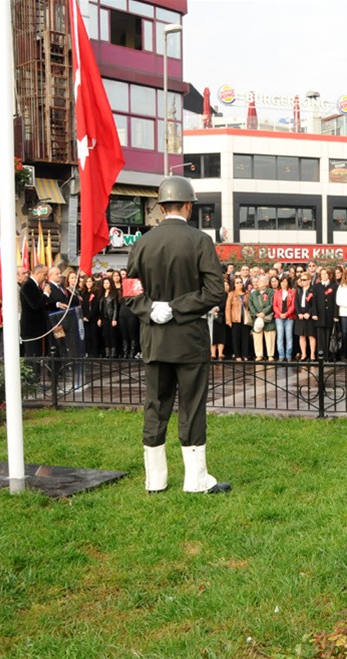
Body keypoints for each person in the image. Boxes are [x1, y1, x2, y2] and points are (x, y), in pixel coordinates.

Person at [125, 175, 230, 494]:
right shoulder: (200, 241)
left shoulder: (142, 242)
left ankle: (155, 479)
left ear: (160, 206)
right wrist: (178, 307)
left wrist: (150, 309)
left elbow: (130, 291)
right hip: (189, 340)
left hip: (154, 339)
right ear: (188, 206)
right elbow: (215, 293)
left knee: (155, 405)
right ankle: (195, 479)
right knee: (192, 405)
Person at [20, 264, 51, 357]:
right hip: (31, 329)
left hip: (38, 328)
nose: (46, 278)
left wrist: (56, 304)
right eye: (45, 275)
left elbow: (42, 304)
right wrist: (46, 294)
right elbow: (35, 305)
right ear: (38, 273)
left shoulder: (36, 286)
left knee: (38, 354)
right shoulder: (28, 285)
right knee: (33, 355)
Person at [248, 275, 275, 361]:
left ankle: (270, 355)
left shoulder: (271, 292)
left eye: (260, 281)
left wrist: (264, 312)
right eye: (258, 281)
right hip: (257, 318)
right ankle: (259, 355)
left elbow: (272, 304)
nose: (258, 283)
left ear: (266, 283)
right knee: (257, 336)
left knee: (270, 335)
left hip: (268, 317)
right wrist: (256, 314)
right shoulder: (253, 294)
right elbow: (250, 305)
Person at [312, 267, 337, 360]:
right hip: (319, 315)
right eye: (322, 274)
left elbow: (335, 302)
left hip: (330, 315)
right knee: (320, 336)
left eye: (325, 274)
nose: (324, 276)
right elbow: (313, 301)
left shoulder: (334, 286)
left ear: (329, 275)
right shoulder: (316, 286)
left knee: (330, 335)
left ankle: (329, 356)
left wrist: (335, 315)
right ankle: (321, 356)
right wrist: (314, 313)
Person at [273, 274, 296, 361]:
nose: (283, 283)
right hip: (279, 318)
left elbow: (293, 306)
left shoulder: (292, 292)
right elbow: (274, 305)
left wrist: (286, 314)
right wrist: (280, 314)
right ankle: (281, 355)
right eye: (282, 281)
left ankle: (289, 355)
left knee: (289, 337)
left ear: (288, 283)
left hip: (289, 318)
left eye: (285, 281)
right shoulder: (277, 293)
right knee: (280, 337)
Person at [294, 272, 316, 360]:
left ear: (309, 280)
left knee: (311, 335)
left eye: (304, 280)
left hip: (309, 315)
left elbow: (314, 303)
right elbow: (296, 303)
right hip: (301, 315)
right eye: (301, 280)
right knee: (301, 336)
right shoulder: (299, 291)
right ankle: (303, 354)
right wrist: (299, 313)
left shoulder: (312, 290)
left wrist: (309, 313)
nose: (302, 282)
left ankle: (312, 355)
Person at [226, 276, 248, 360]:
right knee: (236, 338)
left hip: (245, 319)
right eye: (237, 282)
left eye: (240, 282)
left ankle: (245, 355)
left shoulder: (246, 294)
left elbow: (249, 307)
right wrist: (228, 320)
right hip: (235, 319)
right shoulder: (231, 294)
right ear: (234, 285)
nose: (239, 284)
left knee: (245, 338)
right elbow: (228, 308)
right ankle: (237, 355)